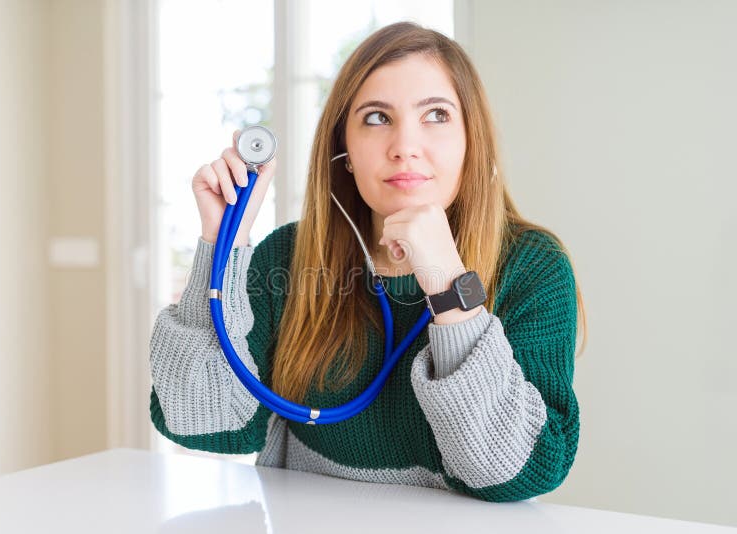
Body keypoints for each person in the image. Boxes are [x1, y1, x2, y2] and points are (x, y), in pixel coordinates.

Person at [149, 21, 588, 502]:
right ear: (346, 151)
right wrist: (222, 244)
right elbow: (202, 424)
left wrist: (447, 282)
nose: (404, 146)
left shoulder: (532, 267)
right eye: (377, 118)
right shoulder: (289, 257)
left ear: (471, 141)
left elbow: (518, 472)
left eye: (436, 115)